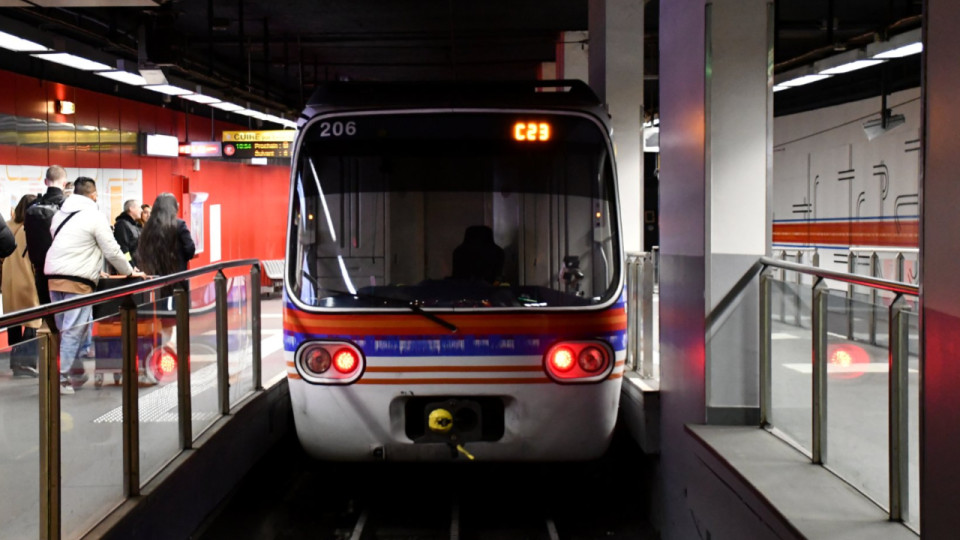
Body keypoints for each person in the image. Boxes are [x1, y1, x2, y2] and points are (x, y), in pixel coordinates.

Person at [44, 177, 144, 394]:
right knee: (73, 330)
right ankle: (61, 378)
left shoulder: (59, 215)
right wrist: (130, 271)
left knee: (69, 328)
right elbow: (112, 250)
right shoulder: (94, 216)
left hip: (53, 276)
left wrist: (94, 267)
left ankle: (73, 373)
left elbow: (74, 245)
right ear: (93, 195)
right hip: (77, 281)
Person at [2, 194, 40, 376]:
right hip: (28, 280)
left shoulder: (8, 225)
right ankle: (25, 362)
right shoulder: (31, 228)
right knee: (33, 320)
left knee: (13, 321)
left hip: (8, 281)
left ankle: (15, 362)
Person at [23, 165, 68, 306]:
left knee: (47, 309)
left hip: (40, 268)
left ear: (45, 182)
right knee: (66, 313)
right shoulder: (67, 206)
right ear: (64, 184)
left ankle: (54, 329)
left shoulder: (33, 206)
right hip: (63, 270)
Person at [137, 193, 196, 277]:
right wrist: (181, 259)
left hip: (154, 275)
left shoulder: (148, 226)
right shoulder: (179, 224)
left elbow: (142, 249)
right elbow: (190, 248)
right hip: (177, 274)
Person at [113, 199, 142, 266]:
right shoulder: (122, 224)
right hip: (131, 269)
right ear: (131, 209)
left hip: (138, 265)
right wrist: (130, 265)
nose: (141, 210)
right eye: (139, 207)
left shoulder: (135, 225)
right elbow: (123, 249)